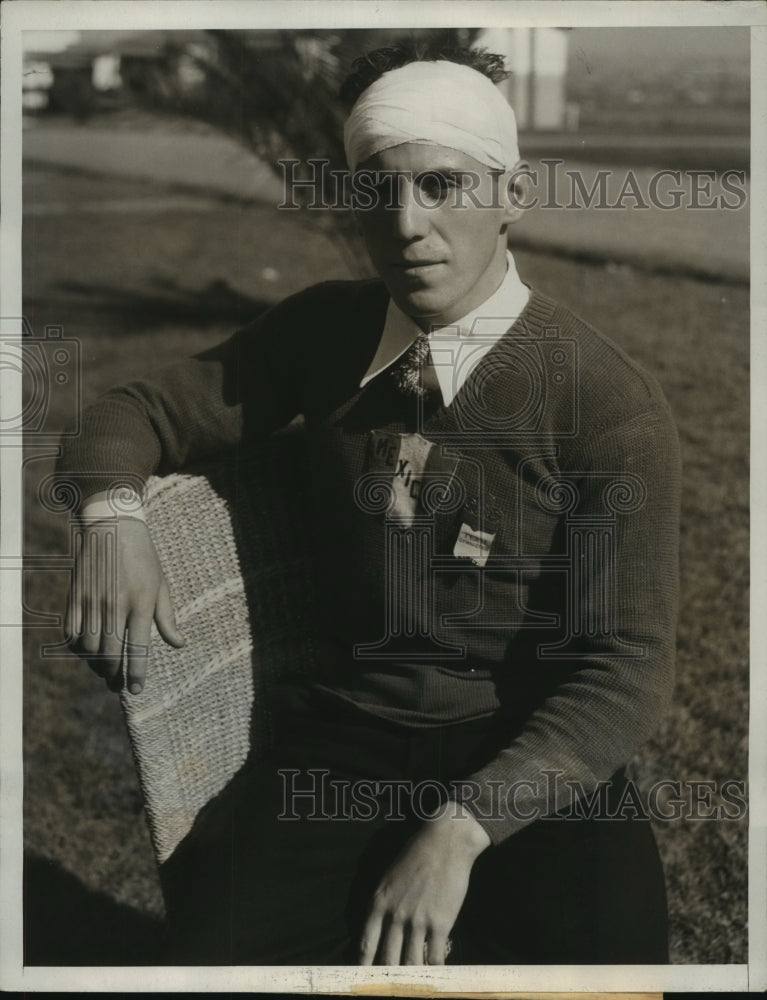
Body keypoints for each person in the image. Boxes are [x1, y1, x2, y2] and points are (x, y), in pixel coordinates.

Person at [58, 40, 680, 966]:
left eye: (441, 186)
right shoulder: (324, 331)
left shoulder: (603, 402)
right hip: (344, 740)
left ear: (512, 193)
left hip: (528, 740)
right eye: (376, 191)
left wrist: (461, 830)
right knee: (219, 959)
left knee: (608, 969)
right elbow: (132, 411)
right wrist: (112, 517)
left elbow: (624, 669)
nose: (404, 225)